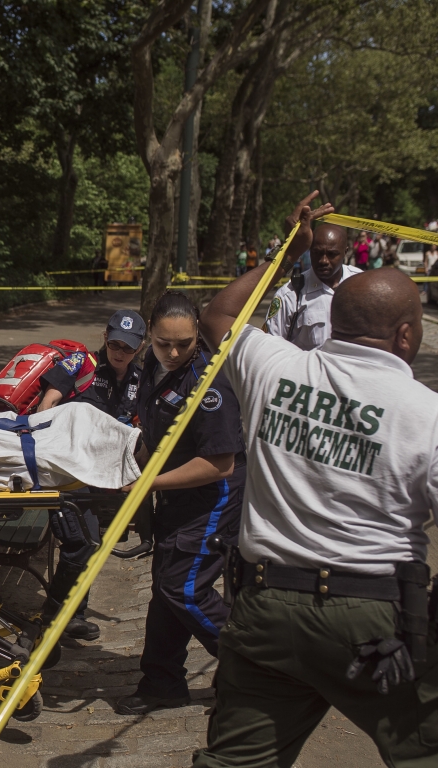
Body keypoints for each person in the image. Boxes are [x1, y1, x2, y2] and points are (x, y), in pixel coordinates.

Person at [192, 191, 438, 767]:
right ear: (405, 335)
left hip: (264, 610)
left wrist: (285, 254)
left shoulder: (276, 367)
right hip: (374, 617)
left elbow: (216, 315)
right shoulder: (425, 413)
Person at [116, 291, 246, 717]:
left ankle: (256, 674)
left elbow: (219, 463)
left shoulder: (209, 383)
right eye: (163, 343)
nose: (173, 352)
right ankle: (162, 682)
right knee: (165, 590)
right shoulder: (152, 368)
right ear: (149, 336)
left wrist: (148, 483)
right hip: (172, 493)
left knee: (184, 589)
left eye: (184, 344)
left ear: (197, 337)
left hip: (211, 499)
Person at [36, 309, 147, 640]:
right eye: (114, 344)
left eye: (127, 348)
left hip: (101, 478)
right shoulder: (81, 364)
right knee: (81, 543)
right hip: (66, 473)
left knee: (89, 543)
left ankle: (73, 615)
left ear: (139, 347)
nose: (119, 352)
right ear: (105, 338)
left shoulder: (140, 381)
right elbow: (47, 407)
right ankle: (55, 618)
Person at [264, 222, 360, 351]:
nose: (323, 261)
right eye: (317, 253)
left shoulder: (361, 283)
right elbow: (271, 346)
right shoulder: (291, 294)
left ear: (345, 252)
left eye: (331, 254)